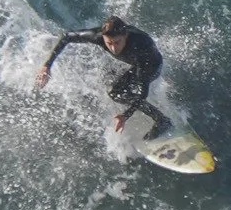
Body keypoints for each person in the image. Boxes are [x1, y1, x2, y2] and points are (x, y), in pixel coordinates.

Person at [36, 15, 170, 137]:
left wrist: (125, 116)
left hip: (150, 66)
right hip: (133, 63)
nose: (113, 48)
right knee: (106, 77)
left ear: (126, 36)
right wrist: (47, 65)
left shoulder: (140, 46)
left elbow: (142, 93)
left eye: (117, 42)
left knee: (115, 93)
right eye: (109, 43)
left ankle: (162, 120)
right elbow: (66, 36)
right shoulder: (98, 36)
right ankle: (134, 104)